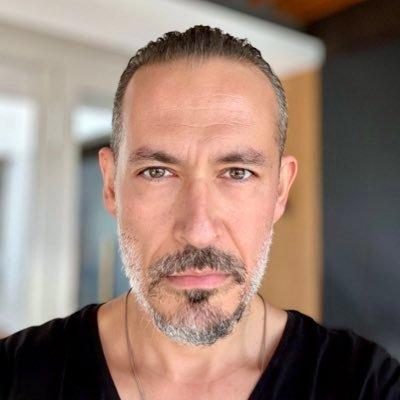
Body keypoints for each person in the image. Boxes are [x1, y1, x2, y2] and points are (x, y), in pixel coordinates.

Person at [0, 25, 399, 400]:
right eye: (157, 172)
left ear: (280, 189)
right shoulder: (15, 376)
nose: (198, 230)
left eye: (237, 172)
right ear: (110, 185)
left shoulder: (365, 386)